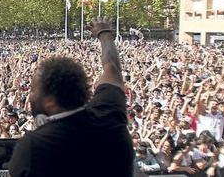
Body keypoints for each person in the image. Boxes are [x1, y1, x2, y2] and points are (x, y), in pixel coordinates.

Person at [8, 17, 134, 177]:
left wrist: (104, 34)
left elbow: (112, 69)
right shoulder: (109, 113)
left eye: (33, 90)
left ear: (51, 101)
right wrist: (104, 33)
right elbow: (113, 68)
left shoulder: (34, 146)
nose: (30, 95)